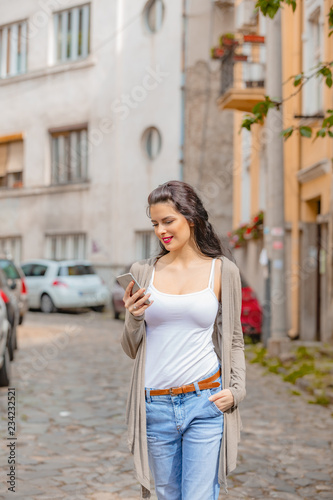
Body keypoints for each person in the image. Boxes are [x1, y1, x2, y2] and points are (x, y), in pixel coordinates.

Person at [121, 180, 246, 500]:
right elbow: (130, 347)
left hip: (204, 401)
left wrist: (237, 389)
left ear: (190, 218)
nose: (161, 230)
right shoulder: (144, 271)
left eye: (167, 221)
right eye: (154, 223)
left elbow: (233, 339)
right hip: (155, 404)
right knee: (166, 495)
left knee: (199, 495)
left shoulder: (222, 270)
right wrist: (134, 317)